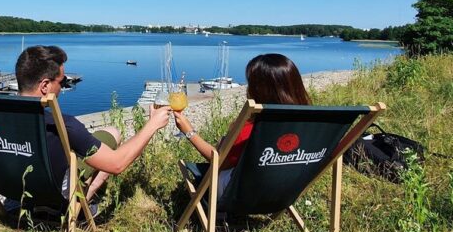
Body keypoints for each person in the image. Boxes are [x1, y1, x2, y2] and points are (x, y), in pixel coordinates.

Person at [16, 45, 172, 204]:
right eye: (62, 82)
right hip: (58, 200)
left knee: (109, 132)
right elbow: (117, 164)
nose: (62, 89)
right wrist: (152, 124)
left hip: (15, 191)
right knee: (110, 139)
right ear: (44, 86)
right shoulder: (62, 125)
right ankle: (80, 208)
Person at [174, 53, 311, 198]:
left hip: (244, 192)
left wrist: (189, 132)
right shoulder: (312, 123)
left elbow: (219, 162)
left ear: (260, 90)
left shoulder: (256, 126)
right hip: (287, 190)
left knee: (214, 170)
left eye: (250, 84)